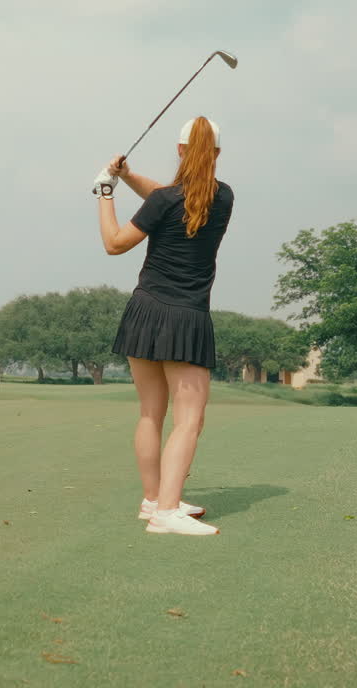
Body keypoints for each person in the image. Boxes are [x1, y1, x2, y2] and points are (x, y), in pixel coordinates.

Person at [92, 116, 233, 535]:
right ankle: (166, 512)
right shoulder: (224, 197)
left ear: (179, 150)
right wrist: (129, 177)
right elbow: (169, 197)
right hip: (185, 316)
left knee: (151, 414)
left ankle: (154, 499)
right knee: (189, 420)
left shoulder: (164, 202)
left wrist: (106, 190)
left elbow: (115, 242)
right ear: (218, 155)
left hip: (144, 311)